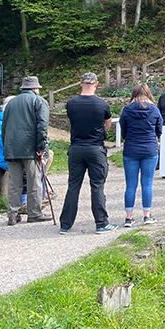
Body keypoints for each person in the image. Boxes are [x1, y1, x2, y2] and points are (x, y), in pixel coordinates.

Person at [59, 72, 116, 235]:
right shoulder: (102, 104)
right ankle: (101, 223)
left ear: (80, 84)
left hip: (76, 147)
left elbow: (72, 121)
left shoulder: (71, 104)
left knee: (73, 186)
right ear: (96, 85)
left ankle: (65, 225)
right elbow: (108, 123)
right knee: (97, 186)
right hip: (95, 148)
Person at [2, 76, 51, 225]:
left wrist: (7, 146)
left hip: (11, 147)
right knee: (34, 182)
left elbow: (4, 127)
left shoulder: (11, 103)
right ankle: (34, 213)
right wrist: (42, 147)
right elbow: (42, 127)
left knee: (14, 182)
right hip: (30, 148)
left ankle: (13, 214)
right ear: (36, 89)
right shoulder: (39, 101)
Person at [119, 83, 163, 227]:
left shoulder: (126, 110)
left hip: (131, 149)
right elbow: (159, 129)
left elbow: (123, 130)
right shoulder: (154, 110)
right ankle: (147, 215)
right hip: (149, 149)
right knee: (147, 183)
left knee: (130, 185)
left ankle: (129, 217)